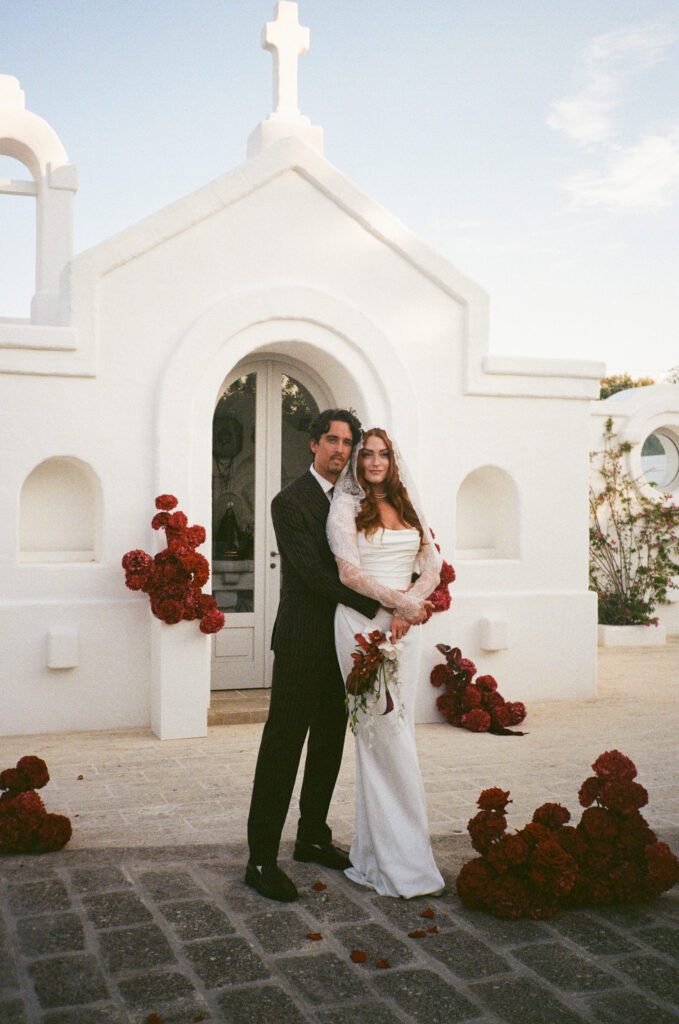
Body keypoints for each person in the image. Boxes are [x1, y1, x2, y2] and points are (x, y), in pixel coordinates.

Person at [245, 409, 382, 902]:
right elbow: (313, 574)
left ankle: (312, 837)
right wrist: (379, 603)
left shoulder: (358, 499)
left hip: (344, 643)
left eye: (347, 442)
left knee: (328, 743)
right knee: (282, 748)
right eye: (332, 440)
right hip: (302, 642)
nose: (340, 450)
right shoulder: (289, 501)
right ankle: (261, 860)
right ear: (314, 443)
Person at [327, 427, 445, 898]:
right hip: (362, 626)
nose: (375, 462)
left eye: (383, 455)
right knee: (382, 739)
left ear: (393, 461)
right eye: (366, 455)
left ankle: (377, 855)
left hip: (404, 629)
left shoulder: (407, 504)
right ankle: (400, 863)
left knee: (399, 733)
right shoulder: (346, 507)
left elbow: (433, 566)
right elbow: (348, 573)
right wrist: (401, 604)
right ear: (357, 462)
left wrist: (406, 608)